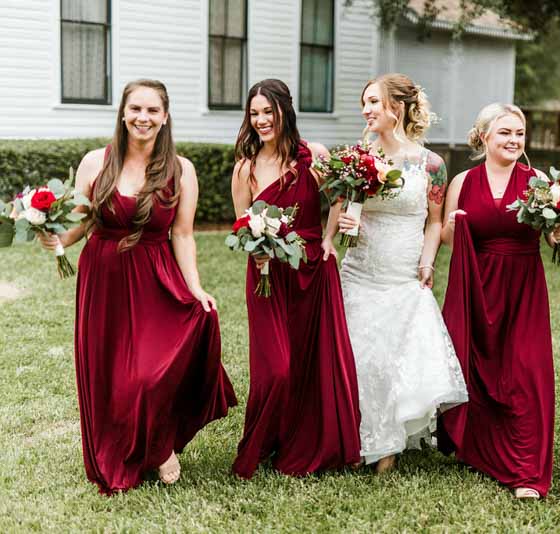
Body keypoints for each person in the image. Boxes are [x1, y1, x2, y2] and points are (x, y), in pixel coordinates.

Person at [40, 79, 237, 494]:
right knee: (110, 375)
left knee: (148, 374)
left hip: (155, 278)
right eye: (135, 109)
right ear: (123, 113)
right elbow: (82, 220)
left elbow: (182, 235)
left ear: (165, 117)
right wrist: (57, 238)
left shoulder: (182, 170)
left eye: (152, 111)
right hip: (104, 278)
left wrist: (196, 287)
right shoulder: (96, 162)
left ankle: (159, 443)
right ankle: (130, 450)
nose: (142, 118)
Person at [326, 73, 467, 473]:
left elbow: (434, 222)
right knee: (358, 354)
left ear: (397, 108)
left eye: (374, 102)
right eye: (364, 104)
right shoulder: (356, 158)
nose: (366, 110)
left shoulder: (432, 164)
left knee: (395, 355)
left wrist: (427, 263)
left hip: (404, 269)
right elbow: (340, 205)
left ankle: (388, 443)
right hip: (361, 268)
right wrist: (337, 231)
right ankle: (356, 437)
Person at [438, 103, 560, 499]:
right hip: (478, 286)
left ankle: (528, 471)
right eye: (505, 133)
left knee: (527, 372)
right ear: (483, 137)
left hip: (524, 287)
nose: (514, 141)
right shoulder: (463, 181)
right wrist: (452, 225)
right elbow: (448, 237)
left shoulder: (538, 181)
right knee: (478, 365)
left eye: (519, 134)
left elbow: (550, 234)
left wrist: (559, 234)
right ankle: (479, 449)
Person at [230, 79, 361, 478]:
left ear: (285, 110)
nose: (262, 120)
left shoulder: (312, 157)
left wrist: (328, 239)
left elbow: (341, 195)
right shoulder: (246, 168)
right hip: (267, 274)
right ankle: (263, 441)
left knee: (310, 363)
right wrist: (257, 248)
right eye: (255, 114)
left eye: (268, 111)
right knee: (277, 368)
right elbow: (241, 224)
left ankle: (301, 442)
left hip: (310, 271)